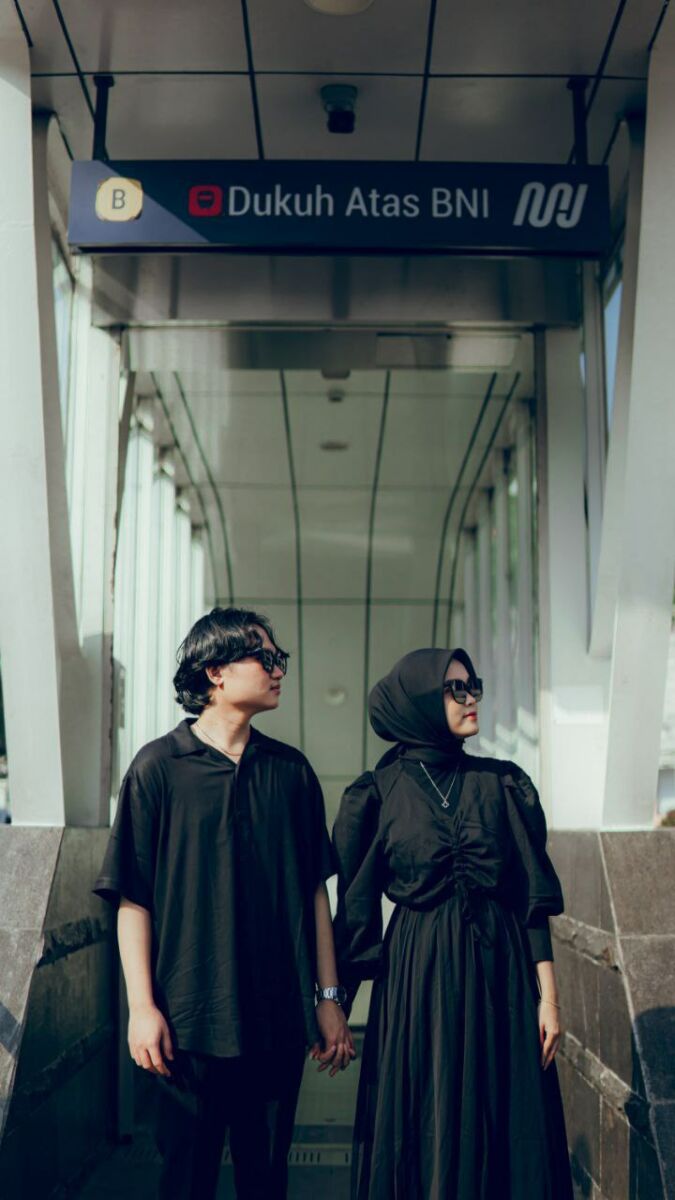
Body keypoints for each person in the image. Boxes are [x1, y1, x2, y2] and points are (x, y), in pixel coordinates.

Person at [93, 606, 354, 1200]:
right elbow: (133, 898)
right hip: (185, 1026)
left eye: (280, 659)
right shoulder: (158, 768)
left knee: (267, 1182)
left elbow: (315, 892)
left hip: (277, 1021)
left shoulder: (291, 773)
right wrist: (141, 1008)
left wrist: (329, 998)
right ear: (215, 671)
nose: (278, 670)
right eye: (265, 658)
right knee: (187, 1181)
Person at [332, 647, 573, 1200]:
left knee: (504, 1116)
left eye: (473, 686)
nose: (471, 699)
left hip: (501, 976)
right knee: (428, 1114)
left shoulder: (502, 783)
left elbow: (530, 897)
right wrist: (336, 1007)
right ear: (418, 702)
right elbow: (357, 909)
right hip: (418, 977)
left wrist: (550, 999)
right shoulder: (379, 792)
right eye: (454, 689)